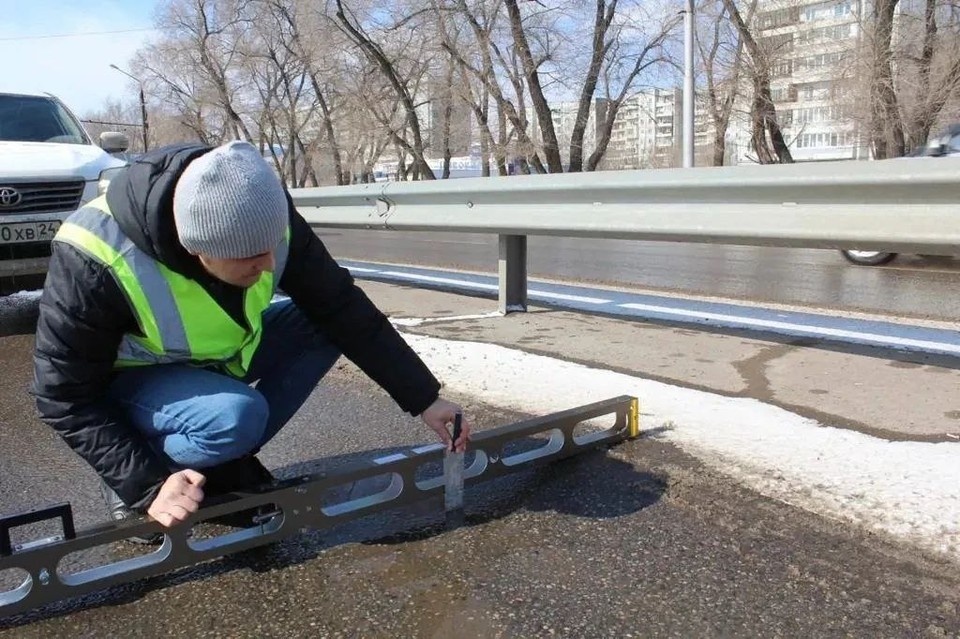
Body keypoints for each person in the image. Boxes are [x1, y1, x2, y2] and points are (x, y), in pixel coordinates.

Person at [31, 140, 471, 540]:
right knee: (235, 417)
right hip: (135, 379)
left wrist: (424, 397)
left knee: (319, 322)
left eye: (272, 248)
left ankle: (222, 463)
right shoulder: (93, 257)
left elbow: (340, 307)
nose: (267, 266)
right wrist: (145, 485)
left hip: (217, 358)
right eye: (247, 257)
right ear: (194, 249)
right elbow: (62, 395)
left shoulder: (260, 208)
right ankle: (154, 475)